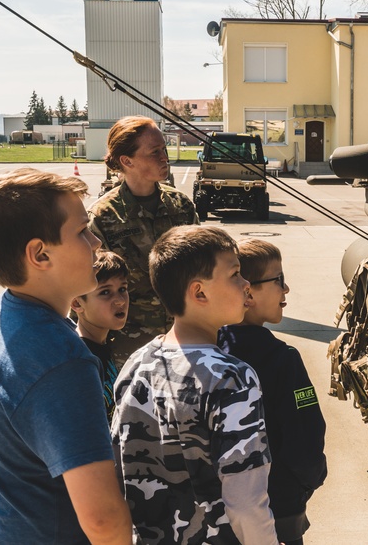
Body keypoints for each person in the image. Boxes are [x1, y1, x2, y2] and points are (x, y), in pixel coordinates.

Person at [0, 168, 132, 544]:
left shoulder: (3, 314)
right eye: (82, 231)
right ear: (40, 254)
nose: (96, 242)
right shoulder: (60, 359)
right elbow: (103, 520)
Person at [110, 225, 278, 544]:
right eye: (235, 274)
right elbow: (245, 502)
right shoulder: (232, 378)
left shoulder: (136, 364)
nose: (246, 284)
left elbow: (118, 471)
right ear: (199, 293)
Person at [218, 239, 327, 545]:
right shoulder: (283, 360)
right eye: (278, 280)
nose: (285, 289)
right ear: (248, 292)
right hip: (278, 508)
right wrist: (308, 482)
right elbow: (305, 440)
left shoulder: (211, 350)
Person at [88, 115, 199, 370]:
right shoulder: (103, 217)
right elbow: (87, 289)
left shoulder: (181, 206)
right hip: (128, 349)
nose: (164, 157)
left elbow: (203, 267)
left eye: (164, 149)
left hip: (184, 341)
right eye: (154, 152)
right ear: (127, 161)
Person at [71, 249, 130, 421]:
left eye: (122, 289)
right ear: (77, 303)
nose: (120, 300)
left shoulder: (103, 343)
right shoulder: (80, 359)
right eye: (105, 292)